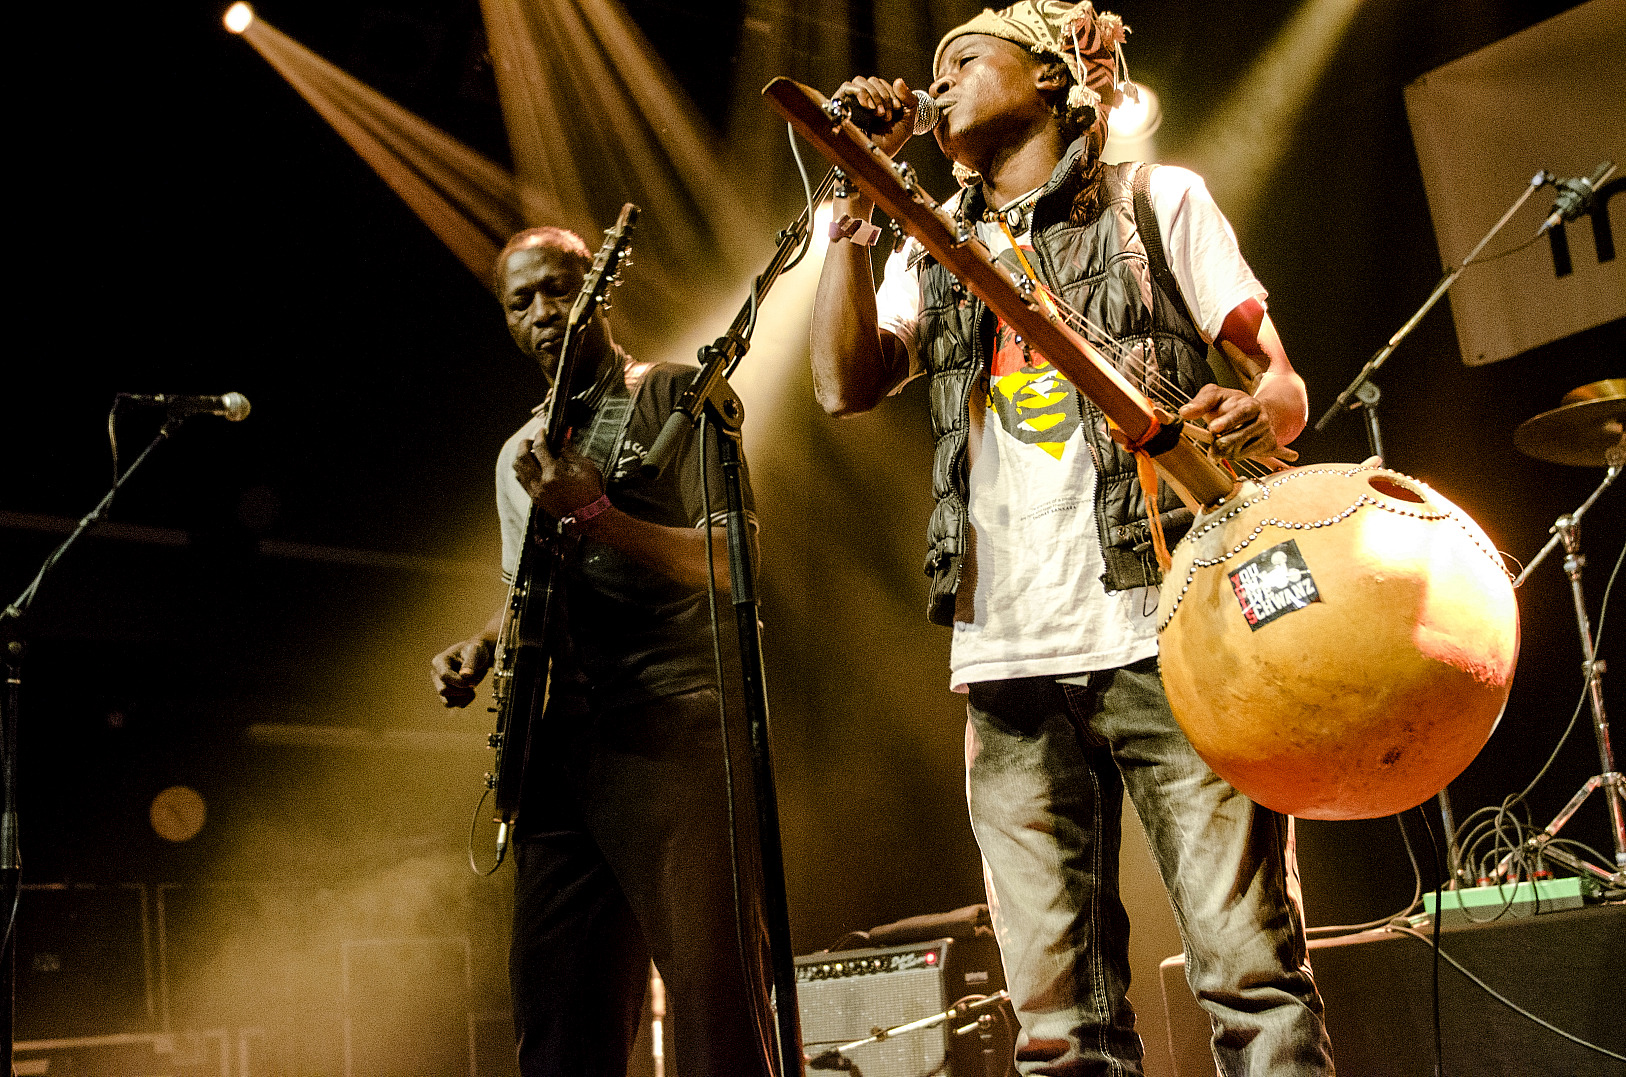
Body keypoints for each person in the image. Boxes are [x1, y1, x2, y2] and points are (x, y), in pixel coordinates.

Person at [809, 3, 1335, 1074]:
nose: (938, 81)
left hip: (1175, 636)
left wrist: (1257, 411)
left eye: (965, 58)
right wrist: (853, 205)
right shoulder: (930, 242)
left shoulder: (1160, 199)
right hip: (1005, 659)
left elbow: (1282, 386)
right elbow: (838, 382)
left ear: (1051, 78)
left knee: (1250, 978)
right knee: (1057, 1029)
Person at [430, 226, 774, 1077]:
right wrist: (478, 647)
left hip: (678, 734)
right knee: (557, 1020)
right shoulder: (521, 452)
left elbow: (737, 559)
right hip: (562, 752)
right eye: (523, 302)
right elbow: (528, 594)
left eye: (560, 289)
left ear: (599, 288)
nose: (546, 312)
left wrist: (597, 515)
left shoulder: (676, 397)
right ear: (508, 322)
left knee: (713, 1009)